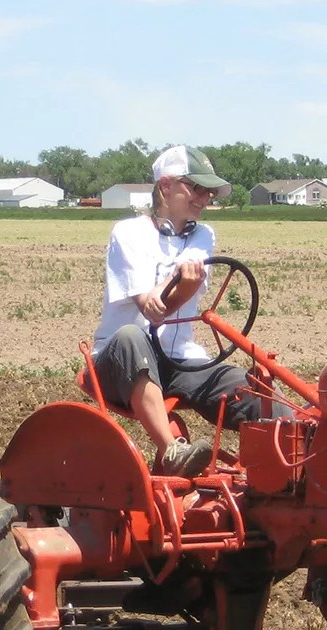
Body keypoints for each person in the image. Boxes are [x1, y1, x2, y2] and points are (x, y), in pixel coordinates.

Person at [90, 145, 263, 478]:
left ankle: (294, 461)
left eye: (209, 191)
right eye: (196, 187)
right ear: (166, 186)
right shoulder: (128, 233)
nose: (204, 198)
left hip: (178, 360)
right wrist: (172, 287)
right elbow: (150, 308)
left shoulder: (203, 234)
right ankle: (172, 451)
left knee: (253, 389)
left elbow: (186, 283)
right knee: (131, 336)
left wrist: (183, 284)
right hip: (120, 362)